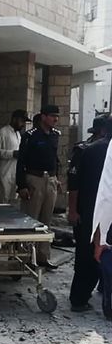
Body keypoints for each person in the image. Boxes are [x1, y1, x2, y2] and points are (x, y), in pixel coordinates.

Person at [69, 116, 112, 313]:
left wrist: (74, 210)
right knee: (97, 255)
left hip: (89, 213)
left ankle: (80, 297)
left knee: (86, 256)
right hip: (96, 213)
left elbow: (74, 185)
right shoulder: (91, 151)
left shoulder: (90, 150)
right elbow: (76, 182)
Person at [16, 105, 62, 270]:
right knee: (31, 219)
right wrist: (21, 185)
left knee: (46, 220)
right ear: (43, 117)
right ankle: (27, 257)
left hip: (50, 179)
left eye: (57, 116)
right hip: (33, 178)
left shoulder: (55, 135)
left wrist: (57, 178)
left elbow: (55, 159)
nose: (55, 119)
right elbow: (21, 162)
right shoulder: (30, 136)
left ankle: (43, 256)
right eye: (52, 116)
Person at [0, 110, 29, 205]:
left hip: (13, 175)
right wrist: (12, 154)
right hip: (2, 175)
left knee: (12, 204)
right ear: (14, 119)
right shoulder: (3, 132)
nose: (23, 124)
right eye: (22, 121)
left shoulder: (18, 134)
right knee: (0, 203)